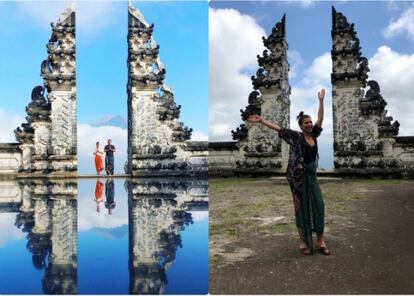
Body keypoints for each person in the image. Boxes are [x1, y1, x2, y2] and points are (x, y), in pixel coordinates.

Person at [248, 88, 330, 255]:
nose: (309, 124)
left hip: (311, 176)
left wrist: (321, 101)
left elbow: (320, 118)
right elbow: (278, 129)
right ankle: (303, 241)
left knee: (319, 206)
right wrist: (262, 120)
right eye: (305, 123)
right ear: (300, 126)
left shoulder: (314, 134)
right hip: (298, 178)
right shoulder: (295, 137)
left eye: (309, 122)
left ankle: (320, 240)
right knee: (301, 209)